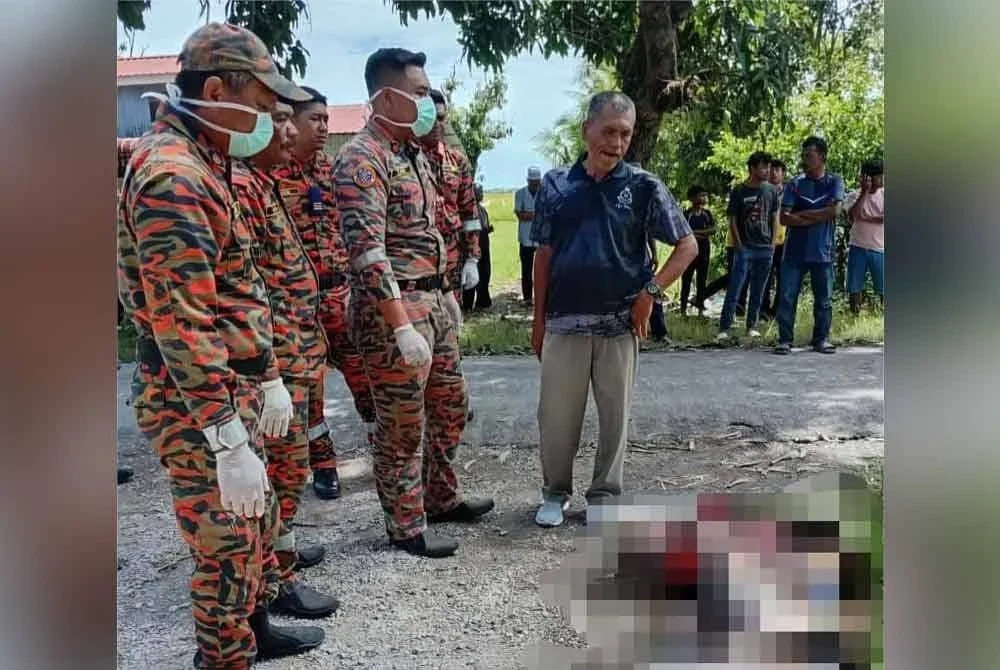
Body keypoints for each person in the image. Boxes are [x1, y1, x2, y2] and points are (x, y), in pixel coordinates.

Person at [117, 22, 323, 668]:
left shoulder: (207, 160)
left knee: (253, 526)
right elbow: (182, 322)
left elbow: (233, 285)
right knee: (226, 546)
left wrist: (265, 375)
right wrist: (226, 436)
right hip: (193, 398)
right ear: (215, 91)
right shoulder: (173, 176)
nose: (270, 122)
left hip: (229, 387)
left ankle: (253, 630)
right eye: (262, 107)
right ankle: (224, 656)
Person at [334, 47, 494, 558]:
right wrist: (401, 326)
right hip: (393, 312)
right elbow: (368, 253)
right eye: (419, 93)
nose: (428, 102)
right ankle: (405, 526)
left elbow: (433, 231)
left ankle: (441, 498)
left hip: (433, 301)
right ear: (386, 97)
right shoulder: (363, 160)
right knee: (402, 424)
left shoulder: (412, 156)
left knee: (451, 406)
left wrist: (449, 291)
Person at [530, 91, 697, 527]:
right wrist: (538, 320)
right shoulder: (555, 185)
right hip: (564, 322)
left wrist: (651, 293)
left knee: (614, 418)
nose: (617, 143)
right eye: (608, 132)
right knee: (556, 417)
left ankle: (604, 496)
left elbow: (687, 245)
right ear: (586, 130)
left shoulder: (644, 187)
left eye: (625, 134)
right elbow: (543, 254)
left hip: (621, 323)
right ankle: (554, 493)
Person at [233, 102, 341, 618]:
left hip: (295, 349)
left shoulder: (263, 180)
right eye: (279, 117)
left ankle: (281, 556)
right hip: (267, 359)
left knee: (288, 469)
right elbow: (243, 289)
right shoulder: (238, 185)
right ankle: (273, 581)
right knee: (278, 471)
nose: (292, 129)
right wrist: (270, 372)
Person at [272, 85, 376, 500]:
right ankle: (324, 463)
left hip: (339, 296)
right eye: (314, 119)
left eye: (326, 120)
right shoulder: (269, 174)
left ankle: (377, 446)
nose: (322, 128)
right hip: (297, 306)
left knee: (363, 377)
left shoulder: (329, 170)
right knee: (310, 393)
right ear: (291, 123)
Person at [775, 136, 844, 355]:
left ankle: (821, 339)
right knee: (786, 296)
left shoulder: (835, 182)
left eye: (809, 155)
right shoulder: (795, 184)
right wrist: (819, 215)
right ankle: (785, 339)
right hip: (794, 252)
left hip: (822, 251)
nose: (805, 159)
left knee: (823, 299)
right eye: (803, 155)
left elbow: (835, 211)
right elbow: (784, 218)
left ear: (822, 157)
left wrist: (801, 215)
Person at [421, 88, 481, 315]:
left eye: (442, 118)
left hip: (452, 262)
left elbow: (470, 214)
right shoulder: (401, 159)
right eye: (431, 118)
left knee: (450, 330)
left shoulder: (457, 162)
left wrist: (472, 259)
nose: (437, 124)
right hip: (416, 263)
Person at [717, 151, 780, 340]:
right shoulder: (739, 190)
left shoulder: (771, 191)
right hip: (745, 247)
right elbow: (733, 220)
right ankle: (725, 327)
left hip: (765, 247)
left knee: (759, 288)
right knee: (735, 287)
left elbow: (774, 217)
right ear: (752, 168)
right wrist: (738, 244)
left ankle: (752, 325)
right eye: (763, 166)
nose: (767, 170)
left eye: (768, 166)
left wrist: (773, 242)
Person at [844, 159, 884, 313]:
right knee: (854, 286)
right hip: (858, 246)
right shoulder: (855, 195)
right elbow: (853, 215)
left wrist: (866, 217)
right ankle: (854, 315)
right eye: (878, 177)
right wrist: (864, 192)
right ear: (867, 177)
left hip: (880, 247)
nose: (881, 180)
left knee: (883, 287)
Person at [679, 185, 716, 316]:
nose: (704, 198)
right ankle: (682, 308)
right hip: (688, 253)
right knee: (686, 280)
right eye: (701, 195)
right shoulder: (686, 214)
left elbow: (712, 230)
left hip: (704, 252)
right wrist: (701, 234)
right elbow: (683, 233)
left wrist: (694, 233)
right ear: (693, 198)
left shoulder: (707, 214)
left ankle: (700, 307)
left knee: (702, 280)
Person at [761, 159, 787, 319]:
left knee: (783, 277)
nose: (774, 173)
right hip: (765, 241)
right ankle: (762, 309)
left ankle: (777, 310)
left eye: (777, 170)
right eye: (771, 170)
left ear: (783, 174)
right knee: (765, 276)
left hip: (785, 241)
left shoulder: (790, 193)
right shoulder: (763, 192)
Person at [462, 183, 494, 310]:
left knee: (485, 273)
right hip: (474, 247)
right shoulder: (469, 210)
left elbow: (484, 226)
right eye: (479, 192)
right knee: (472, 275)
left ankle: (483, 300)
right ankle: (467, 304)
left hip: (484, 246)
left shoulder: (482, 209)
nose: (481, 194)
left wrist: (488, 230)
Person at [514, 167, 542, 305]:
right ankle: (527, 298)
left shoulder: (544, 193)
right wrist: (536, 215)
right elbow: (520, 215)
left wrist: (529, 215)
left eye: (538, 182)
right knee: (526, 269)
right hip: (525, 238)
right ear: (528, 180)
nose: (536, 185)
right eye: (533, 182)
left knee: (542, 269)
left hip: (541, 238)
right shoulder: (520, 194)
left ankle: (542, 297)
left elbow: (546, 214)